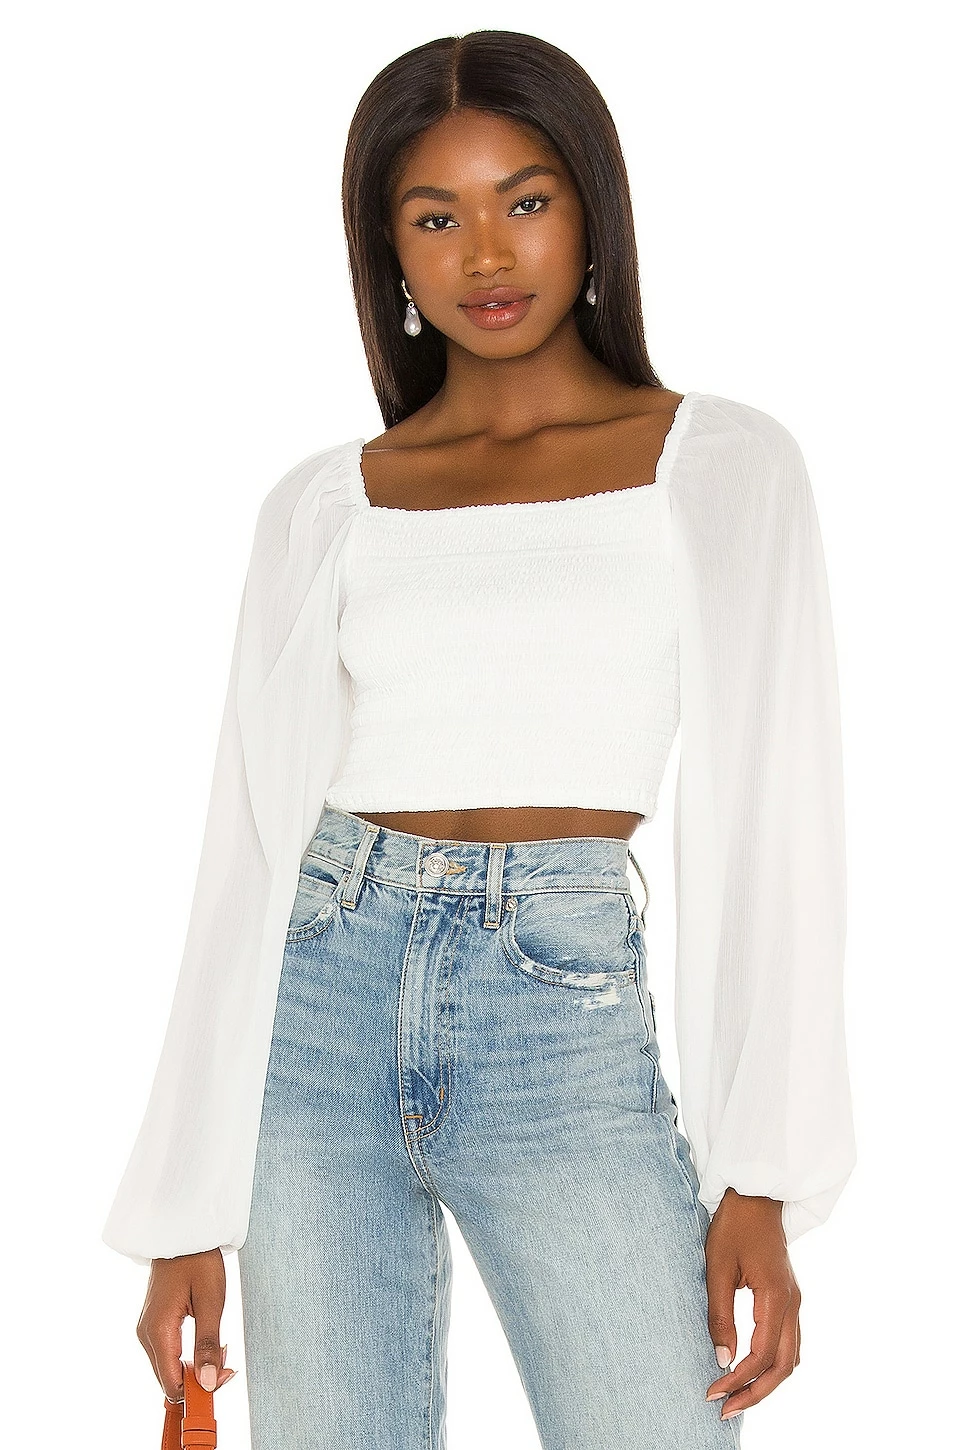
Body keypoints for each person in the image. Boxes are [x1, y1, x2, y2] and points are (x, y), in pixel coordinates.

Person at [103, 30, 856, 1449]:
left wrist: (761, 1172)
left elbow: (780, 816)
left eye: (527, 199)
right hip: (318, 1003)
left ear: (592, 212)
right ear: (387, 249)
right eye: (436, 217)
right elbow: (245, 845)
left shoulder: (721, 465)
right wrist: (182, 1205)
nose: (488, 253)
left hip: (557, 1009)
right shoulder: (325, 502)